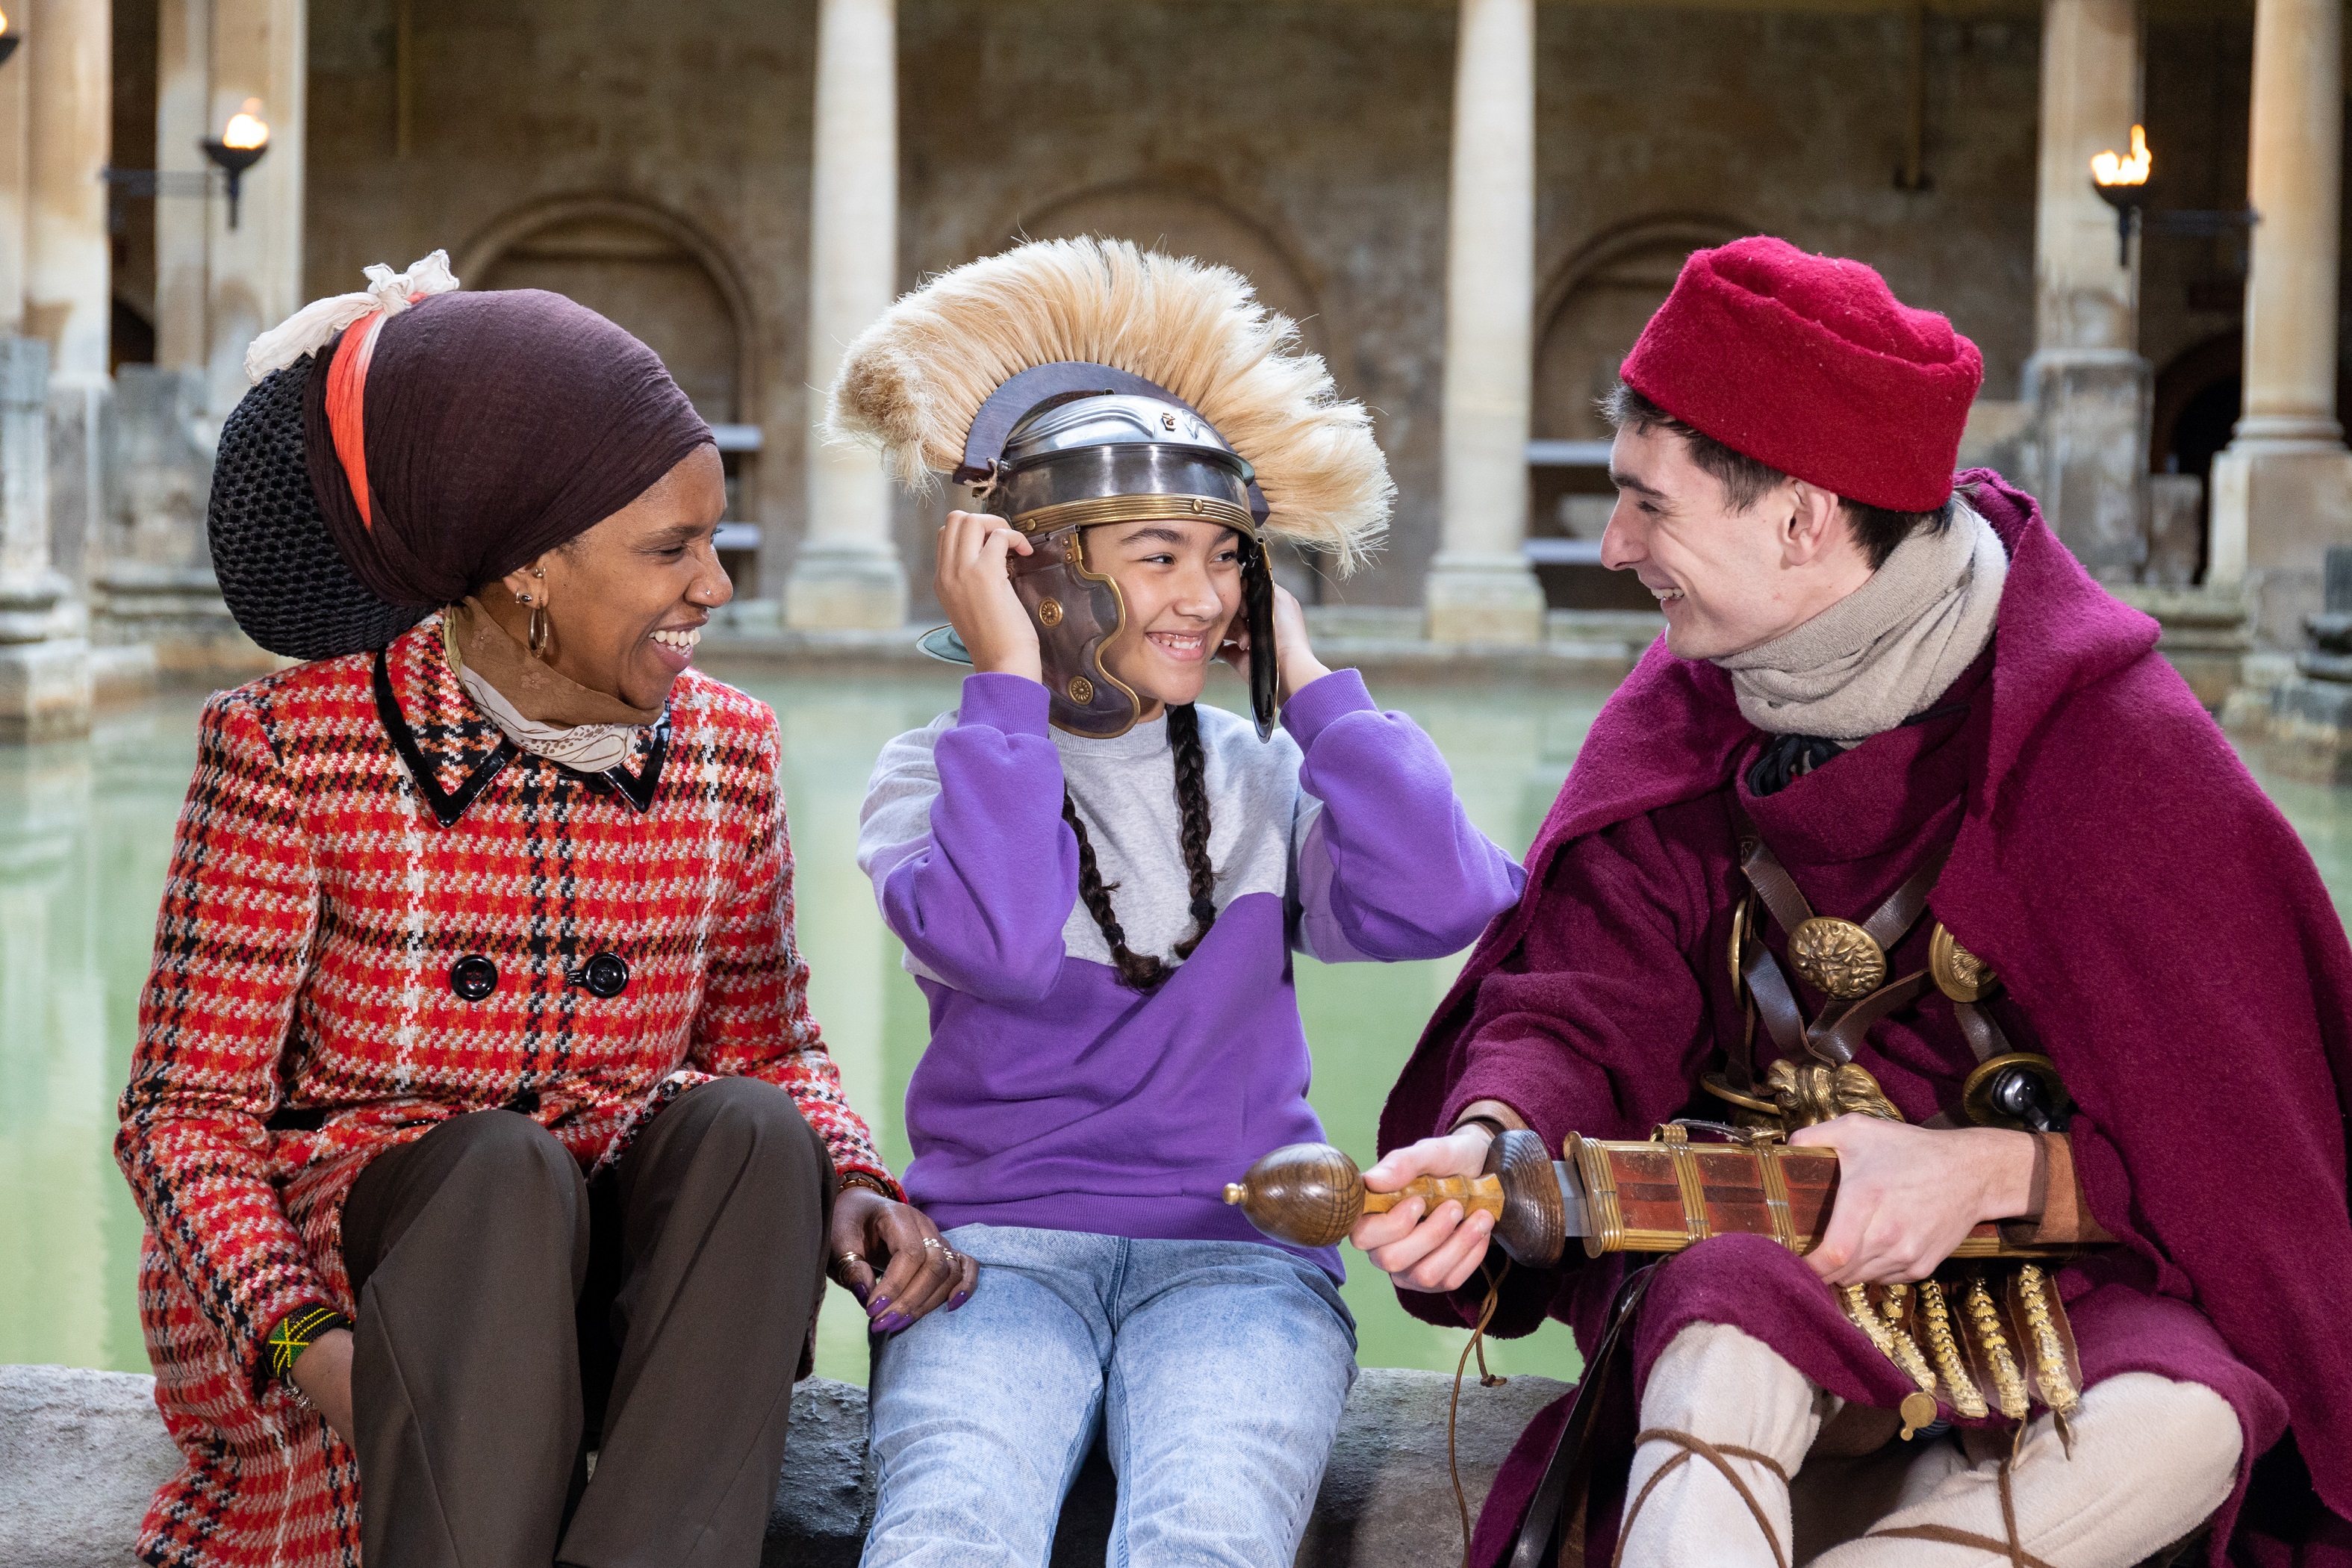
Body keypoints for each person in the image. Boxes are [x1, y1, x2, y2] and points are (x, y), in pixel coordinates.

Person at [1361, 237, 2352, 1567]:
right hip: (1770, 1248)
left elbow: (2249, 1155)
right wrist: (1496, 1138)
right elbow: (1580, 1005)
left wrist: (1992, 1169)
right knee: (1714, 1332)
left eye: (1648, 505)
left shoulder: (2110, 746)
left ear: (1801, 518)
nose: (1611, 547)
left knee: (2189, 1419)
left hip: (2056, 1271)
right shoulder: (1679, 712)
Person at [114, 252, 962, 1568]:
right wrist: (320, 1353)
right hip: (360, 1301)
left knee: (750, 1131)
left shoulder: (729, 748)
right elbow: (184, 1122)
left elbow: (768, 1045)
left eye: (715, 541)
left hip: (619, 1303)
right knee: (500, 1170)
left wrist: (853, 1176)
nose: (716, 589)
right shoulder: (290, 746)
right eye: (670, 549)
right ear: (528, 571)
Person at [824, 236, 1528, 1567]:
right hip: (994, 1258)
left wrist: (1314, 684)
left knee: (1209, 1535)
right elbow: (1005, 944)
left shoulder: (1262, 771)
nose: (1204, 596)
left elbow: (1447, 899)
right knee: (946, 1533)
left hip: (1244, 1255)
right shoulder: (934, 769)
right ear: (1033, 569)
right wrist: (1005, 685)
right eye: (1159, 557)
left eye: (1224, 558)